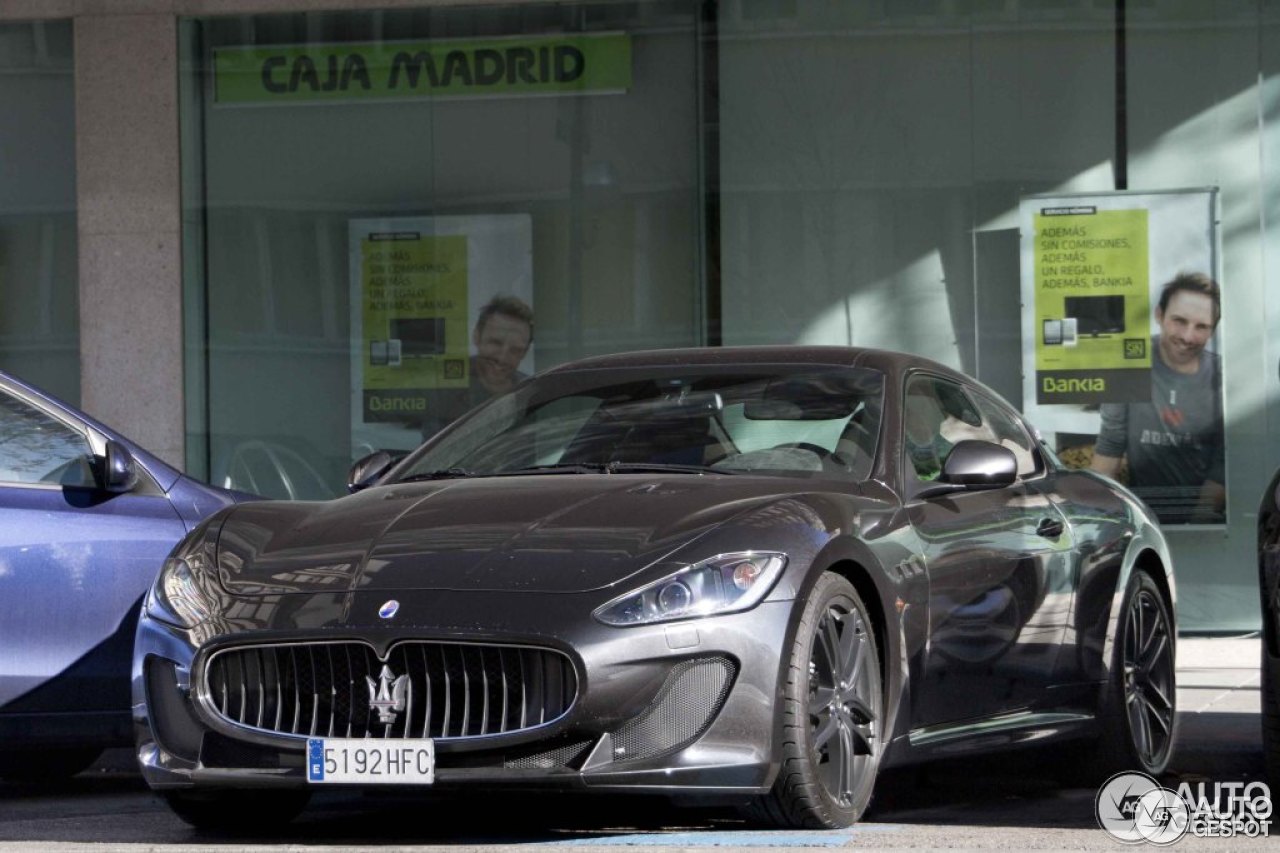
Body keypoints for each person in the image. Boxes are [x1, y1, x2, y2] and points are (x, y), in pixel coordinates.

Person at [1090, 272, 1224, 524]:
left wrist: (1194, 532)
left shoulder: (1222, 378)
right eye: (1179, 321)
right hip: (1143, 518)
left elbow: (1222, 471)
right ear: (1159, 315)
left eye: (1201, 326)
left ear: (1213, 330)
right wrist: (1089, 515)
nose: (1187, 336)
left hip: (1206, 521)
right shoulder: (1131, 363)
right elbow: (1110, 445)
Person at [421, 295, 533, 438]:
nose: (502, 358)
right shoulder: (446, 387)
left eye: (515, 350)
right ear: (476, 337)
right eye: (495, 343)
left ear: (525, 352)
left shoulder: (530, 393)